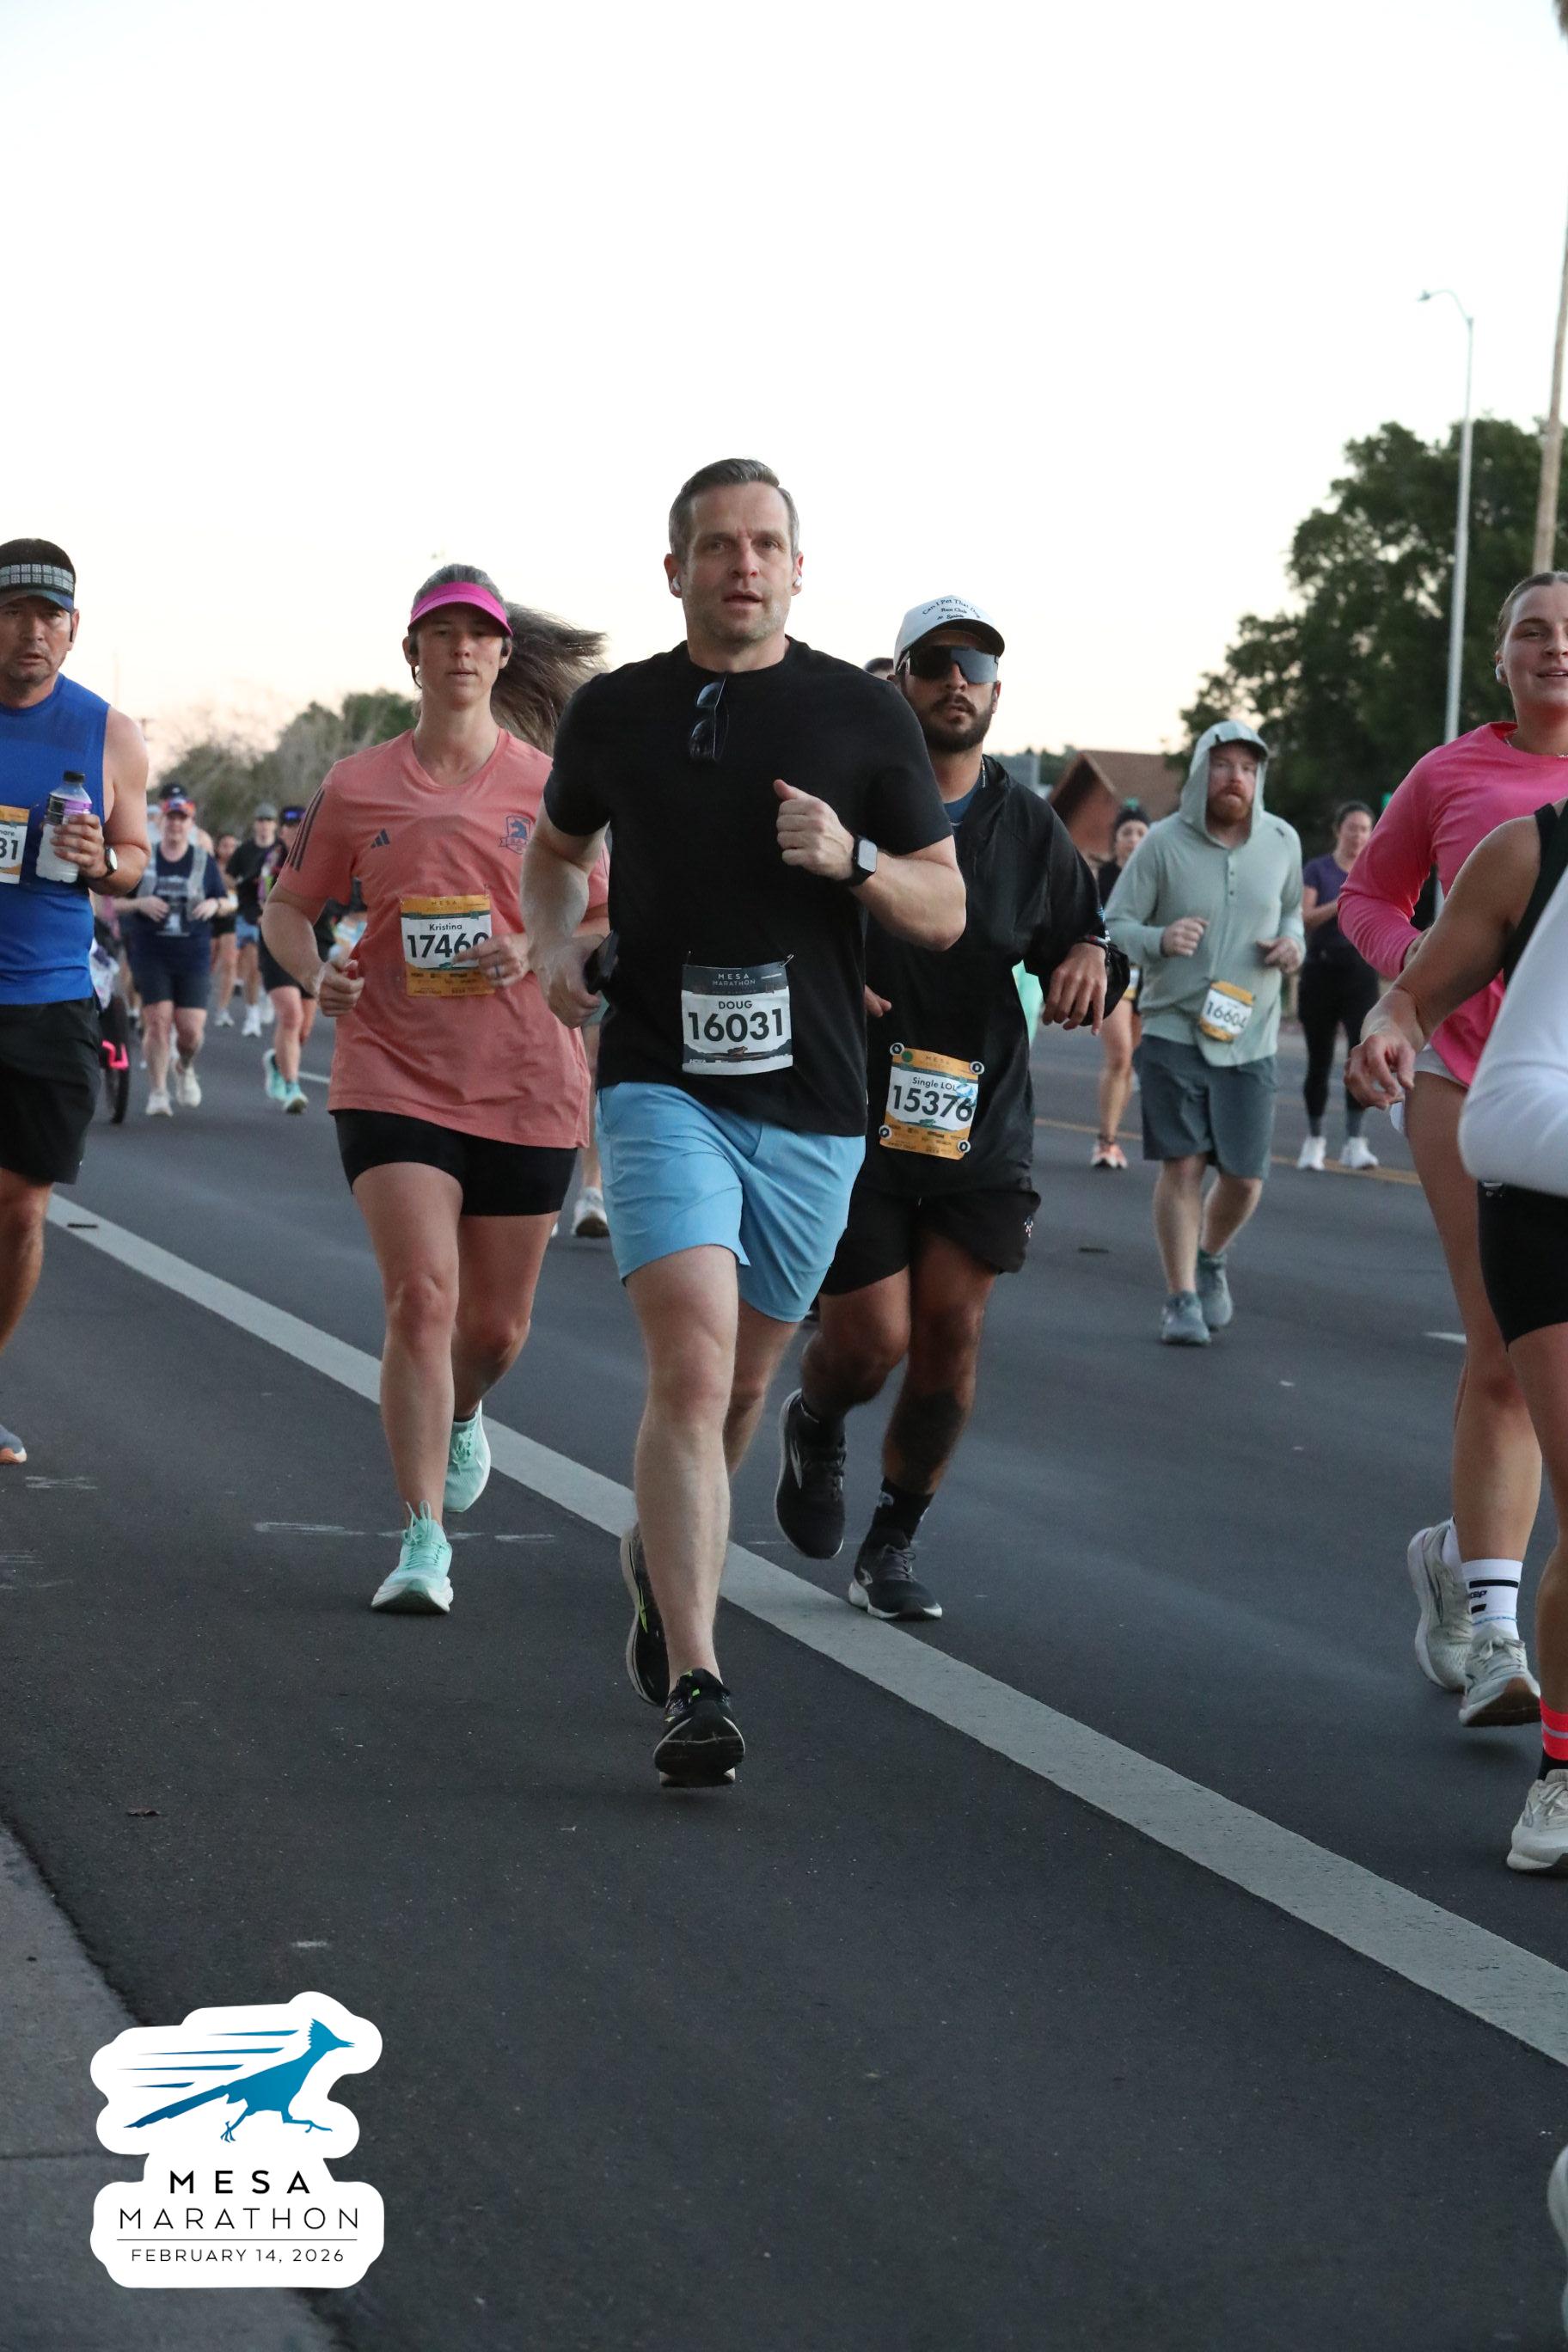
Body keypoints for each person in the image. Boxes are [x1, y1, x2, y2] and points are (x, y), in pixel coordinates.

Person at [524, 457, 963, 1785]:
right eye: (718, 545)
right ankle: (698, 1680)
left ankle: (661, 1563)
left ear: (798, 568)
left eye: (766, 543)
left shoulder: (860, 716)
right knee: (693, 1366)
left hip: (815, 1102)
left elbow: (943, 907)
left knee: (746, 1384)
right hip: (660, 1081)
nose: (743, 565)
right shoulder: (618, 713)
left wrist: (855, 859)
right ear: (676, 570)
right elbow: (555, 853)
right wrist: (556, 945)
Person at [263, 565, 606, 1614]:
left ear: (503, 655)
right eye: (441, 634)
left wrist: (534, 942)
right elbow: (288, 908)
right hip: (392, 1071)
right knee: (421, 1298)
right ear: (412, 656)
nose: (461, 649)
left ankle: (462, 1413)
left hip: (527, 1078)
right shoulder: (358, 783)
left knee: (493, 1332)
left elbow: (605, 916)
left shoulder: (553, 786)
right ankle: (423, 1539)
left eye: (479, 635)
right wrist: (315, 972)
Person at [775, 597, 1119, 1619]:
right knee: (869, 1341)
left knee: (950, 1336)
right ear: (901, 680)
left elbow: (1087, 935)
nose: (956, 679)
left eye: (975, 663)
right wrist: (826, 980)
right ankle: (816, 1419)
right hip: (851, 1108)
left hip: (980, 1116)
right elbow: (765, 922)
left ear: (997, 691)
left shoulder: (1029, 825)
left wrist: (1092, 960)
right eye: (936, 662)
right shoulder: (847, 802)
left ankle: (893, 1539)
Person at [1338, 572, 1568, 1726]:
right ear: (1502, 657)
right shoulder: (1453, 776)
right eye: (1534, 630)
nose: (1557, 648)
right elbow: (1369, 898)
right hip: (1471, 1085)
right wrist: (1414, 977)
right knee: (1506, 1350)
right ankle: (1494, 1630)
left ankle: (1456, 1561)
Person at [0, 538, 150, 1462]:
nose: (32, 632)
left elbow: (134, 861)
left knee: (22, 1210)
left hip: (52, 999)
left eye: (49, 616)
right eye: (15, 612)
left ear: (73, 629)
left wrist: (103, 862)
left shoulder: (107, 731)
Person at [1105, 723, 1303, 1344]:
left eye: (1248, 767)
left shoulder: (1282, 840)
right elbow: (1116, 923)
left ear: (1259, 778)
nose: (1235, 778)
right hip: (1173, 1026)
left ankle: (1210, 1256)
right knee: (1184, 1163)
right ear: (1200, 773)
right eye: (1222, 765)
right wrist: (1160, 939)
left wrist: (1293, 944)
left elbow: (1292, 910)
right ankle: (1181, 1296)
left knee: (1244, 1179)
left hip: (1253, 1033)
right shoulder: (1162, 844)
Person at [119, 794, 232, 1112]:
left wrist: (215, 904)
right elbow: (112, 903)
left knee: (190, 1031)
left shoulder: (203, 861)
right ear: (161, 821)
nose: (176, 824)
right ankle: (158, 1092)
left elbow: (227, 901)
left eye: (182, 819)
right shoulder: (144, 859)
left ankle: (184, 1065)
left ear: (191, 824)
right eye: (171, 817)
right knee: (157, 1021)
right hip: (152, 952)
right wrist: (140, 903)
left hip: (192, 955)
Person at [1296, 800, 1379, 1170]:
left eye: (1364, 829)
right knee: (1319, 1059)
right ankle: (1314, 1140)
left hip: (1359, 973)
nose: (1358, 835)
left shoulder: (1374, 871)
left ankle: (1355, 1142)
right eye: (1352, 828)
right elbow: (1305, 917)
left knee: (1361, 1056)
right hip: (1320, 971)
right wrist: (1342, 902)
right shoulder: (1318, 869)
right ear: (1338, 830)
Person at [1092, 803, 1148, 1167]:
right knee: (1120, 1055)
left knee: (1129, 1065)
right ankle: (1104, 1142)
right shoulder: (1103, 879)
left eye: (1141, 833)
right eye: (1127, 833)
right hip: (1114, 972)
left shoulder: (1157, 876)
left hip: (1149, 975)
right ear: (1116, 841)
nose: (1134, 839)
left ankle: (1111, 1139)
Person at [228, 804, 279, 1037]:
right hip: (248, 913)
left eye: (268, 820)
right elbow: (228, 875)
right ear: (255, 824)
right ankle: (252, 1015)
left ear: (274, 825)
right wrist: (242, 885)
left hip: (275, 915)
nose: (264, 825)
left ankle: (268, 993)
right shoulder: (244, 850)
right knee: (252, 965)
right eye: (260, 820)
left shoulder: (282, 850)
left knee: (270, 965)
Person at [211, 829, 241, 1025]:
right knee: (209, 962)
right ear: (217, 848)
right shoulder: (209, 864)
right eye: (225, 846)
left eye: (233, 846)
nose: (229, 850)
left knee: (230, 962)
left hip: (231, 917)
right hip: (210, 916)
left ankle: (223, 1009)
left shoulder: (240, 866)